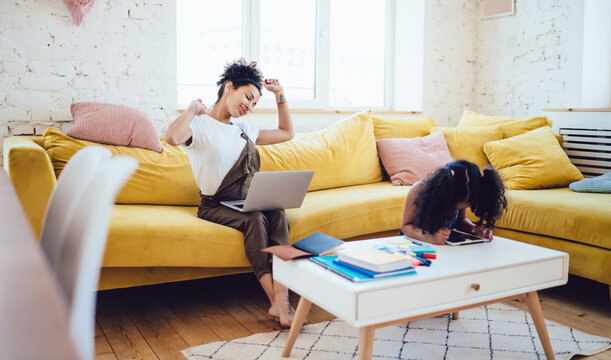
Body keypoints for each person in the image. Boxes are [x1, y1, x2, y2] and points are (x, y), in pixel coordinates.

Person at [165, 59, 297, 327]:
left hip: (246, 200)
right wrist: (193, 108)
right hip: (215, 204)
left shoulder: (243, 129)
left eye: (255, 103)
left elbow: (287, 133)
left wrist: (280, 94)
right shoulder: (200, 126)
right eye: (248, 96)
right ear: (229, 87)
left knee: (279, 214)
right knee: (255, 219)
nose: (249, 106)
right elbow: (172, 138)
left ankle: (282, 299)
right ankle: (278, 302)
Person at [400, 160, 507, 245]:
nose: (454, 211)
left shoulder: (466, 189)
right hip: (414, 244)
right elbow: (405, 226)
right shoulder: (418, 189)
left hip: (443, 246)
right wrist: (429, 237)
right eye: (454, 207)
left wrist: (473, 229)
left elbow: (460, 220)